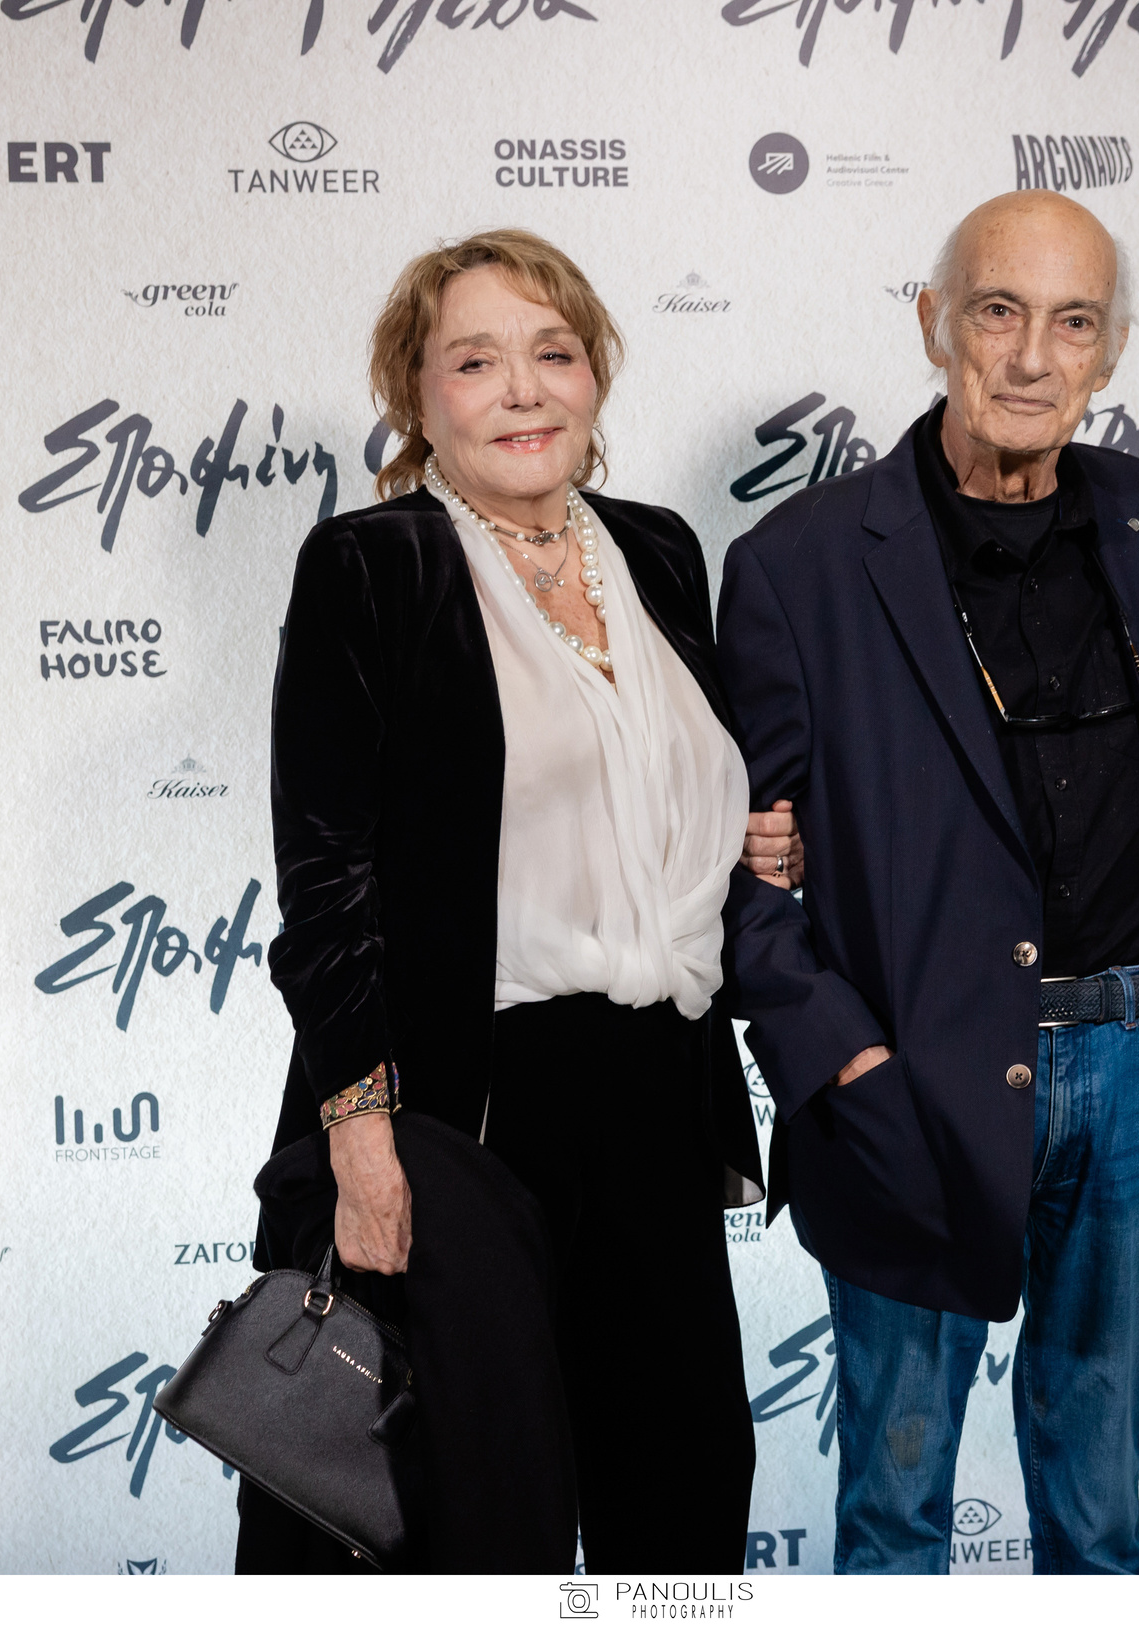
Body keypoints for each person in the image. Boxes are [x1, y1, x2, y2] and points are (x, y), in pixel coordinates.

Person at [714, 191, 1139, 1575]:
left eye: (1071, 323)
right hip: (914, 1078)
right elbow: (741, 869)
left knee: (1098, 1501)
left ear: (1110, 349)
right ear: (933, 323)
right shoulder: (798, 564)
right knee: (895, 1500)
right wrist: (844, 1062)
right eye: (997, 312)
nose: (1028, 357)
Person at [256, 228, 793, 1574]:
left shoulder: (659, 552)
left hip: (658, 1092)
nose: (521, 391)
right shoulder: (371, 566)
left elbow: (651, 791)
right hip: (465, 1107)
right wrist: (361, 1143)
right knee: (474, 1517)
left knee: (680, 1489)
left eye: (552, 353)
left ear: (595, 374)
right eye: (475, 362)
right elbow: (325, 883)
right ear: (417, 394)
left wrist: (748, 844)